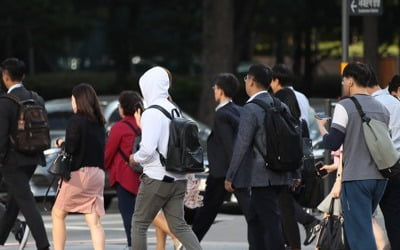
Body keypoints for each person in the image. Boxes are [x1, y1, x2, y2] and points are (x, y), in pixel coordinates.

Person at [225, 64, 299, 250]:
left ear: (251, 81)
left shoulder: (251, 109)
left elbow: (242, 144)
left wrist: (230, 176)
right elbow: (294, 138)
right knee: (256, 219)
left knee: (270, 223)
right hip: (281, 173)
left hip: (261, 176)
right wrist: (295, 172)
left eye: (246, 79)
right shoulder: (279, 104)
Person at [316, 62, 388, 250]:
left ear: (350, 81)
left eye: (344, 79)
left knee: (359, 233)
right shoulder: (381, 107)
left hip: (356, 177)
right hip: (380, 178)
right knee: (360, 226)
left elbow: (333, 143)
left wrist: (322, 128)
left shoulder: (345, 106)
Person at [129, 66, 201, 250]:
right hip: (178, 178)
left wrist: (134, 158)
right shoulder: (174, 109)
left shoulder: (151, 112)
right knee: (179, 225)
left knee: (139, 223)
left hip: (156, 178)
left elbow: (147, 149)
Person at [192, 73, 252, 244]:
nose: (214, 91)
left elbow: (229, 147)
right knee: (249, 211)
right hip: (233, 171)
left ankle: (190, 244)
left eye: (215, 88)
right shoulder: (239, 110)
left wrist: (230, 175)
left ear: (221, 91)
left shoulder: (222, 115)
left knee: (206, 212)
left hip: (222, 174)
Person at [0, 58, 50, 250]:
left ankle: (43, 245)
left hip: (12, 161)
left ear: (6, 76)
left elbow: (2, 137)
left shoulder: (6, 102)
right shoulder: (37, 98)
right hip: (34, 158)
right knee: (15, 201)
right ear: (23, 76)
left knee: (26, 202)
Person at [270, 65, 321, 248]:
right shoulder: (302, 97)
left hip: (285, 158)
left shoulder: (278, 99)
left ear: (276, 80)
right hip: (300, 154)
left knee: (283, 204)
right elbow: (304, 129)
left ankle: (306, 224)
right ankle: (298, 233)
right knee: (285, 205)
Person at [52, 83, 106, 250]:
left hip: (80, 175)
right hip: (98, 174)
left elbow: (72, 148)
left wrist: (61, 143)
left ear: (78, 100)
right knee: (94, 221)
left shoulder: (76, 121)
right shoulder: (99, 122)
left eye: (72, 99)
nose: (72, 103)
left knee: (58, 213)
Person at [366, 67, 400, 250]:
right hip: (396, 166)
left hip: (373, 168)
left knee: (363, 216)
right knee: (394, 218)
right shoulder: (395, 103)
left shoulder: (370, 105)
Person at [105, 90, 143, 248]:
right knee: (144, 215)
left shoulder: (119, 128)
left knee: (128, 214)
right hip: (144, 175)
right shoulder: (143, 124)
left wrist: (103, 167)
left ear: (122, 108)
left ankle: (132, 244)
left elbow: (108, 153)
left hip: (124, 176)